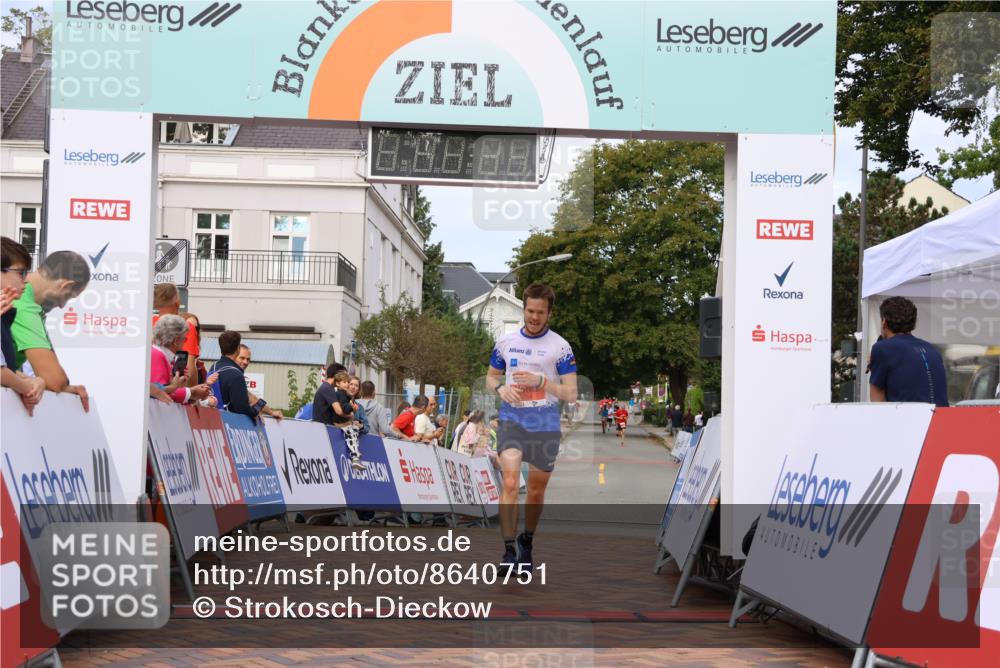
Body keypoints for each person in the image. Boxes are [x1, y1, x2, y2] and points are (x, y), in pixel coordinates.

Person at [486, 283, 578, 568]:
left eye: (540, 312)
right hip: (512, 420)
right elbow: (491, 377)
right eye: (529, 311)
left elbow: (571, 393)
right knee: (510, 482)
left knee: (536, 492)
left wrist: (542, 382)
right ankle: (508, 551)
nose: (534, 317)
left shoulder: (560, 347)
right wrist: (500, 388)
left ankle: (527, 540)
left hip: (545, 423)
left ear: (549, 313)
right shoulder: (506, 342)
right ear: (524, 309)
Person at [10, 250, 91, 411]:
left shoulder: (28, 303)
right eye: (68, 296)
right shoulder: (23, 306)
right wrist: (59, 385)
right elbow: (54, 380)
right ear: (65, 285)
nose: (62, 305)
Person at [869, 296, 948, 407]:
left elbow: (877, 401)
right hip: (941, 415)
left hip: (908, 416)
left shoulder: (881, 348)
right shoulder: (931, 349)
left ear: (884, 322)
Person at [1, 237, 45, 414]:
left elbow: (6, 367)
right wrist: (28, 389)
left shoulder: (5, 314)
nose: (25, 281)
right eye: (21, 272)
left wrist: (34, 381)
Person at [150, 315, 214, 404]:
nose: (186, 340)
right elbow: (161, 395)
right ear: (176, 341)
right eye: (184, 337)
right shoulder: (157, 355)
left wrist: (181, 384)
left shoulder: (161, 355)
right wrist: (191, 392)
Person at [312, 368, 364, 471]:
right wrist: (351, 409)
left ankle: (355, 456)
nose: (348, 385)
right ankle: (355, 457)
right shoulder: (339, 393)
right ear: (338, 383)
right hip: (334, 424)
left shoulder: (343, 394)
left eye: (348, 382)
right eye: (345, 382)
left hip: (335, 423)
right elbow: (342, 410)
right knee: (351, 431)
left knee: (353, 430)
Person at [209, 330, 265, 419]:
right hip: (228, 421)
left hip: (212, 417)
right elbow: (242, 409)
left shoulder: (214, 366)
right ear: (238, 349)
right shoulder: (236, 375)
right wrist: (257, 408)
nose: (245, 362)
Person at [152, 283, 198, 385]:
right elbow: (190, 367)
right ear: (177, 302)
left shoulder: (147, 324)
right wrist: (193, 392)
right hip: (175, 389)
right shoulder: (184, 327)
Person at [231, 343, 281, 420]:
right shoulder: (233, 375)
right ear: (234, 357)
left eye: (248, 359)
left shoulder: (236, 375)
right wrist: (255, 412)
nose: (245, 362)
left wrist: (271, 412)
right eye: (242, 358)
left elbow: (251, 398)